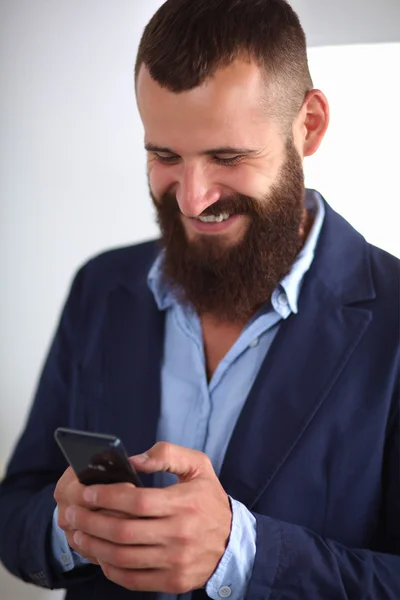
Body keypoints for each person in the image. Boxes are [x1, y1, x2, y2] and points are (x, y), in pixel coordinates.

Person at [0, 0, 399, 598]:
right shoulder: (101, 287)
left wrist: (244, 555)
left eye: (227, 157)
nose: (191, 200)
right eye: (164, 156)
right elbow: (15, 513)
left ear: (308, 125)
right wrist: (72, 526)